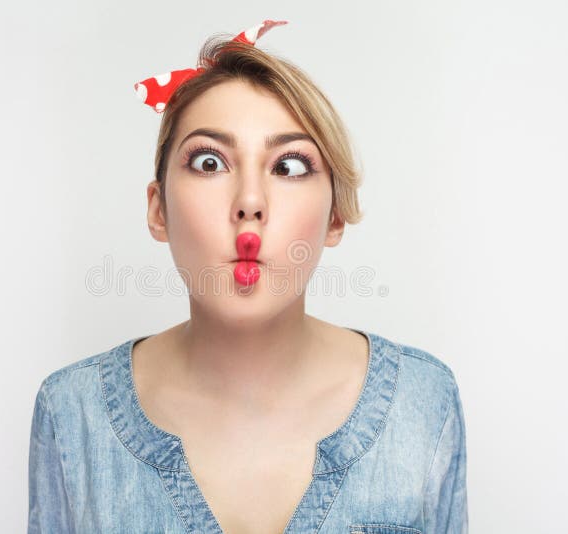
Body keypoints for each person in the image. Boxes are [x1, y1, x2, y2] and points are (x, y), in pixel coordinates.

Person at [28, 19, 468, 534]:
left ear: (335, 216)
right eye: (210, 161)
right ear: (159, 210)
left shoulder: (424, 402)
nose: (250, 203)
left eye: (289, 167)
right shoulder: (70, 414)